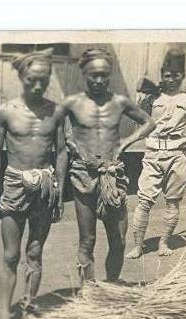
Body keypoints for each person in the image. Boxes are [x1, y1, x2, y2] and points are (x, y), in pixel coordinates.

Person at [0, 48, 68, 319]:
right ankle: (3, 317)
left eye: (43, 80)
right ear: (22, 77)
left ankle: (29, 307)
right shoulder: (5, 112)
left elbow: (61, 152)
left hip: (45, 185)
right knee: (11, 255)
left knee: (35, 251)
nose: (37, 85)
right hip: (14, 184)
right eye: (32, 79)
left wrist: (59, 191)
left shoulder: (56, 112)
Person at [59, 48, 156, 286]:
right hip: (83, 175)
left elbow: (149, 122)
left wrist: (125, 141)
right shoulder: (72, 103)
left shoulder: (119, 102)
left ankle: (112, 286)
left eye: (104, 75)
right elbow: (55, 131)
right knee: (87, 240)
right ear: (84, 74)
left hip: (112, 176)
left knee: (119, 240)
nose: (99, 80)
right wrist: (70, 142)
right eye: (94, 75)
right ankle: (89, 291)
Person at [126, 48, 186, 258]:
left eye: (176, 75)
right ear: (162, 75)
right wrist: (142, 101)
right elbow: (137, 122)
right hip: (153, 154)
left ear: (182, 76)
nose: (171, 79)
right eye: (167, 75)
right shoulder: (152, 97)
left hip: (177, 155)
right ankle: (138, 245)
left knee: (172, 201)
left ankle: (164, 243)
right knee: (144, 200)